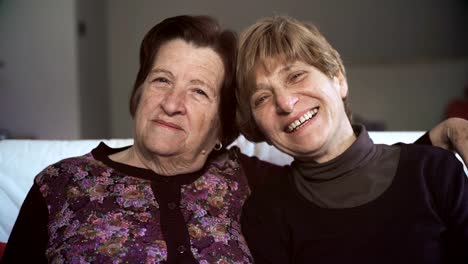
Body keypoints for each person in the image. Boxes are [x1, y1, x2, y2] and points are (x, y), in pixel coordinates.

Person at [1, 14, 467, 264]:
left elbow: (344, 174)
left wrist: (437, 141)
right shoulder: (60, 183)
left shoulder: (247, 181)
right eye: (161, 80)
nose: (172, 102)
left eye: (198, 90)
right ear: (139, 90)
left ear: (223, 126)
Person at [237, 16, 468, 263]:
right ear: (259, 128)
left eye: (296, 76)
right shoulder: (265, 214)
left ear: (338, 80)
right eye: (262, 98)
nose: (284, 102)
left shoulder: (434, 171)